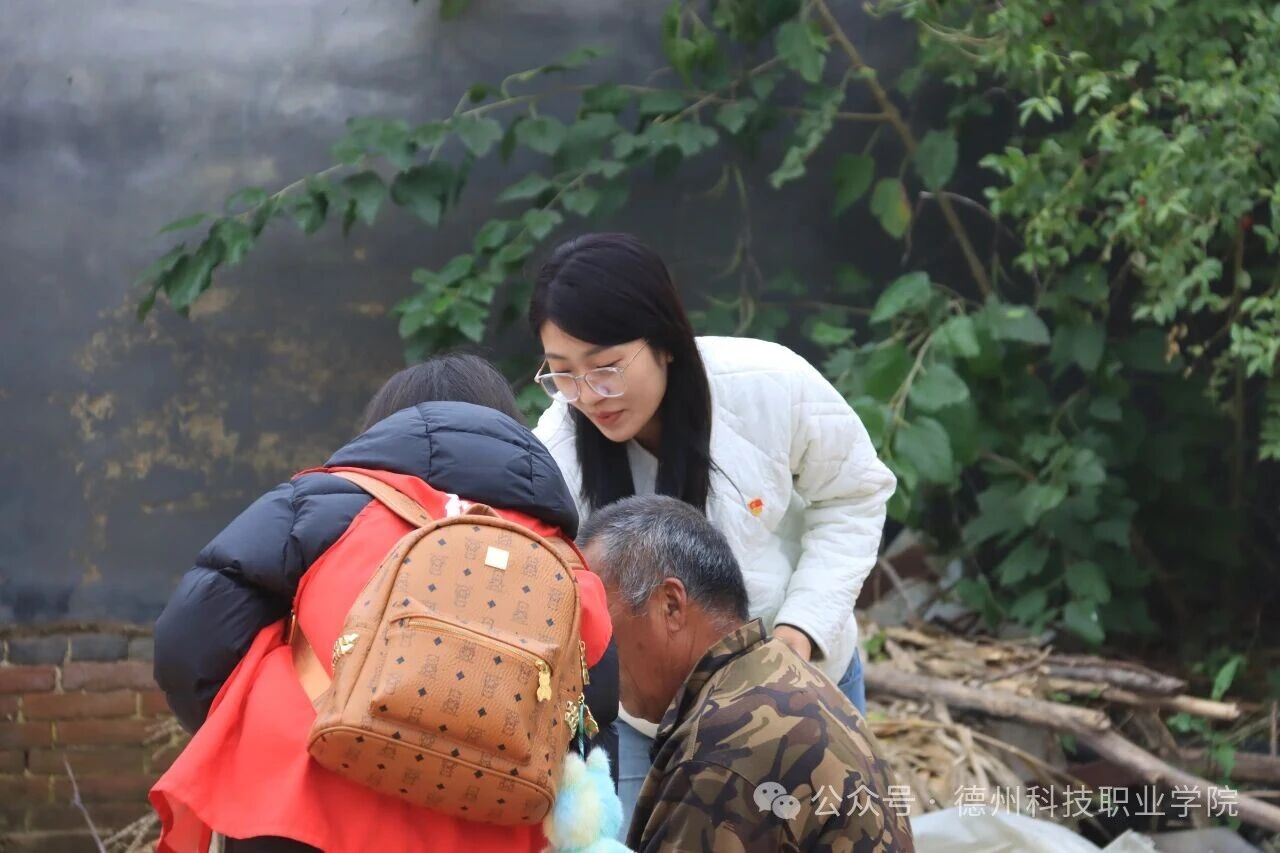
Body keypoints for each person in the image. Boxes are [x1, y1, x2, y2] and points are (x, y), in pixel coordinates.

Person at [149, 353, 615, 853]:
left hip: (297, 809)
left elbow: (188, 642)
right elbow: (597, 708)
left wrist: (251, 726)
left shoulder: (316, 505)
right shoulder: (562, 562)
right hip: (488, 824)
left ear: (383, 427)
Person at [529, 233, 897, 821]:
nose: (588, 396)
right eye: (562, 374)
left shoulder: (768, 384)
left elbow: (854, 493)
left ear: (664, 341)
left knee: (826, 831)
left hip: (800, 672)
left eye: (605, 368)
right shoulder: (555, 451)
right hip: (643, 714)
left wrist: (801, 632)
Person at [578, 495, 914, 852]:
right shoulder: (778, 674)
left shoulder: (721, 750)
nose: (591, 651)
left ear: (671, 605)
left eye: (599, 623)